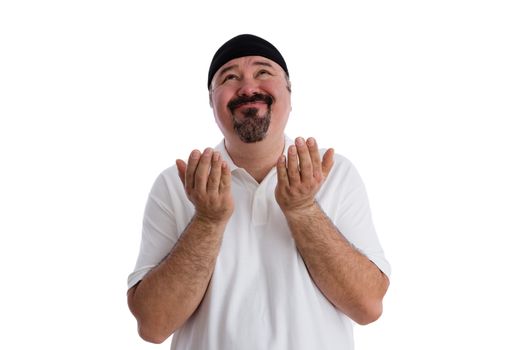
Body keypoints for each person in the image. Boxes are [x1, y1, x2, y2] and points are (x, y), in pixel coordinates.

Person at [127, 34, 391, 350]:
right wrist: (207, 221)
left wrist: (304, 208)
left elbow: (368, 307)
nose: (248, 87)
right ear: (212, 102)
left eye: (263, 72)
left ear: (290, 94)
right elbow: (153, 325)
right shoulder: (176, 184)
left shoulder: (334, 174)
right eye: (230, 77)